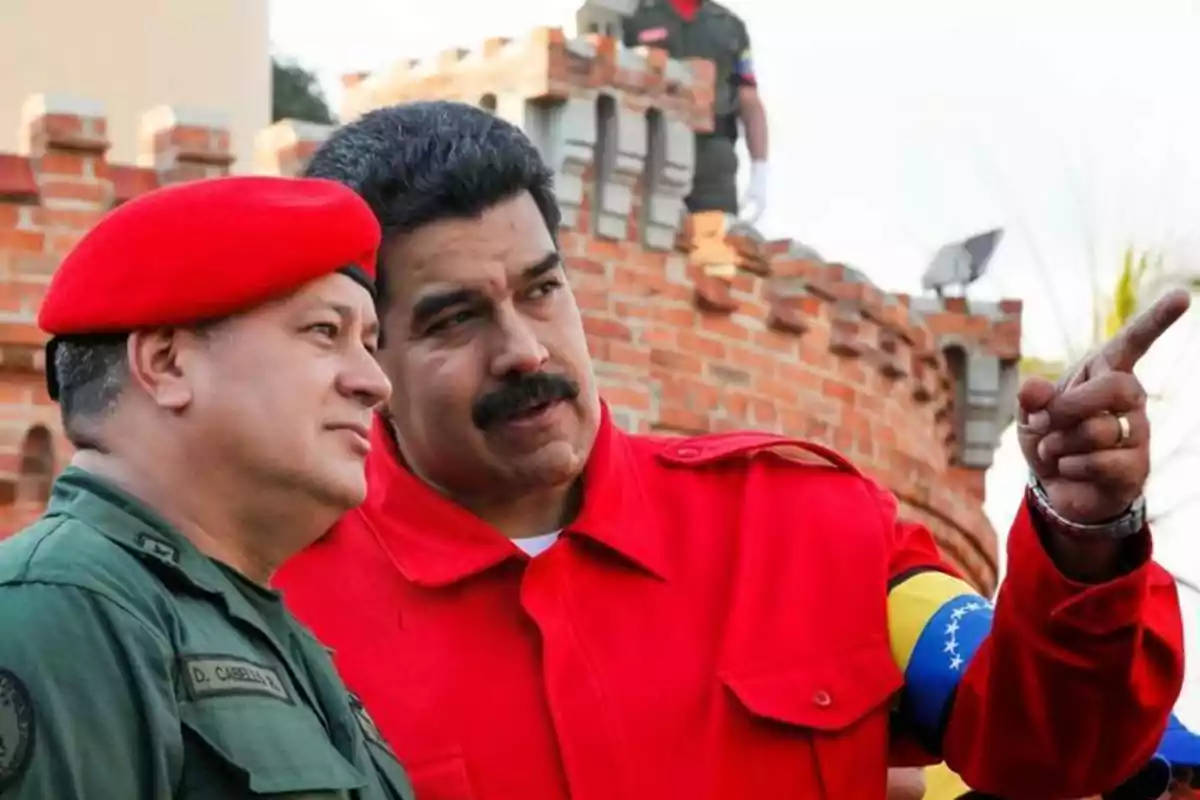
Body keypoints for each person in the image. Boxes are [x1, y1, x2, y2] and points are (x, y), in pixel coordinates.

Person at [273, 100, 1188, 799]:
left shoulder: (809, 526)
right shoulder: (268, 613)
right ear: (365, 344)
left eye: (541, 289)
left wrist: (1085, 530)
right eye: (455, 318)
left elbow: (1052, 748)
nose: (524, 348)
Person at [0, 176, 414, 799]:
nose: (374, 382)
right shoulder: (58, 611)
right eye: (325, 331)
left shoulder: (267, 637)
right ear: (167, 365)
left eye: (369, 343)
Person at [622, 0, 769, 225]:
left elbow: (748, 99)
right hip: (652, 150)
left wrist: (760, 170)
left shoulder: (728, 26)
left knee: (714, 243)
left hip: (713, 160)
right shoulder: (636, 15)